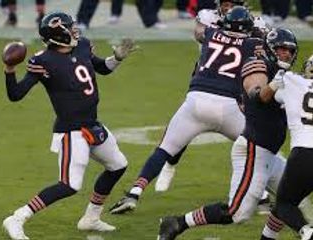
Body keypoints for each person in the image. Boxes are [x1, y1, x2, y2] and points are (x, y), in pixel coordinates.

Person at [109, 2, 271, 215]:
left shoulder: (212, 32)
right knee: (260, 148)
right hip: (229, 105)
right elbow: (266, 49)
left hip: (197, 100)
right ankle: (270, 196)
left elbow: (201, 34)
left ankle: (134, 193)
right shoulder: (253, 42)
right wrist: (258, 32)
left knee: (163, 149)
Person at [1, 12, 136, 240]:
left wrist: (117, 58)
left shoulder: (82, 46)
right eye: (70, 28)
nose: (75, 31)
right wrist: (10, 70)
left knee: (118, 165)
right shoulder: (42, 60)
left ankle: (91, 218)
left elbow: (102, 68)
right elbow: (16, 94)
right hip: (71, 131)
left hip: (92, 124)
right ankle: (17, 217)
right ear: (59, 35)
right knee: (70, 185)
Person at [157, 27, 301, 240]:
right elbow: (257, 93)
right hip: (254, 151)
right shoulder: (257, 65)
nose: (286, 54)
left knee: (293, 196)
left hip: (271, 154)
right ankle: (177, 223)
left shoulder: (286, 76)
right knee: (237, 213)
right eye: (281, 49)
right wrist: (273, 85)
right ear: (270, 48)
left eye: (290, 50)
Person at [260, 55, 313, 240]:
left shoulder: (292, 81)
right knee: (289, 201)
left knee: (284, 204)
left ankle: (307, 232)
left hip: (305, 154)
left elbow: (266, 96)